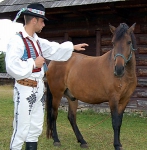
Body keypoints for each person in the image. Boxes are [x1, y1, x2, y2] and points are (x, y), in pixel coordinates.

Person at [5, 3, 88, 150]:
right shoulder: (17, 41)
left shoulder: (37, 41)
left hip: (38, 89)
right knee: (21, 129)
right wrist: (33, 63)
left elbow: (53, 47)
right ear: (34, 20)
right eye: (42, 20)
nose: (43, 24)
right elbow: (11, 66)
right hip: (24, 89)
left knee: (35, 128)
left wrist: (72, 47)